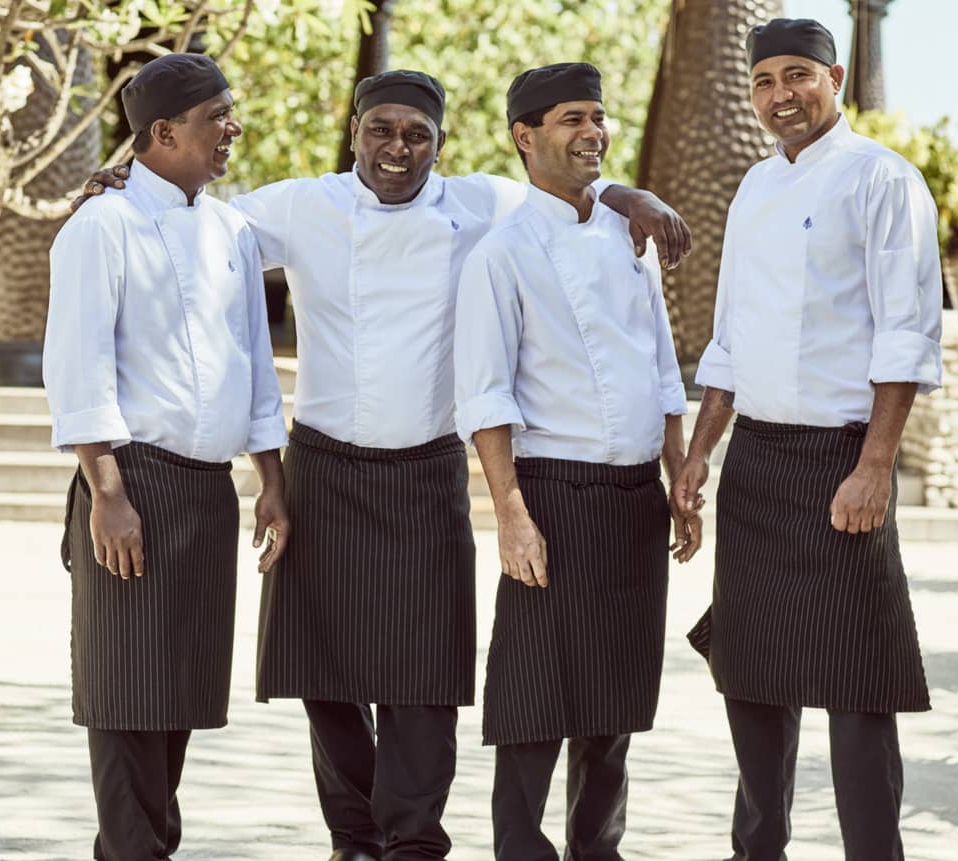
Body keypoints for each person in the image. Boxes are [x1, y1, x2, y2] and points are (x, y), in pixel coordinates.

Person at [74, 68, 691, 861]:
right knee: (324, 673)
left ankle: (412, 839)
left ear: (441, 144)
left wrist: (625, 196)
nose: (397, 148)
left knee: (425, 677)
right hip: (324, 468)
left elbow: (561, 186)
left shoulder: (478, 204)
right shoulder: (299, 206)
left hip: (429, 468)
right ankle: (354, 837)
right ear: (356, 132)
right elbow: (193, 214)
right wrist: (123, 177)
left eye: (416, 134)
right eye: (380, 130)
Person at [671, 18, 943, 861]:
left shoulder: (884, 181)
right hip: (756, 458)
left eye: (797, 76)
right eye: (763, 81)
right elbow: (729, 339)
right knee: (751, 676)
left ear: (833, 77)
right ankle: (758, 851)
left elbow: (906, 335)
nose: (780, 95)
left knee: (860, 686)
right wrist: (700, 453)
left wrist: (873, 468)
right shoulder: (753, 188)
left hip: (841, 460)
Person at [44, 52, 290, 861]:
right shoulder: (99, 226)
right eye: (217, 116)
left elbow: (255, 367)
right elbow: (79, 369)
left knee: (177, 690)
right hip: (131, 481)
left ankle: (144, 846)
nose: (232, 129)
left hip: (207, 493)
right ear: (161, 132)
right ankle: (133, 851)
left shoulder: (229, 231)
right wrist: (106, 491)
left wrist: (271, 484)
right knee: (122, 692)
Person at [453, 62, 699, 861]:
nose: (591, 131)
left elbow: (662, 367)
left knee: (615, 699)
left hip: (634, 497)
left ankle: (600, 850)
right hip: (552, 495)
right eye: (571, 119)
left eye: (597, 116)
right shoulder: (502, 253)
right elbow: (486, 398)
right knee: (533, 696)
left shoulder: (630, 235)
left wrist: (677, 476)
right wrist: (512, 515)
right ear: (525, 137)